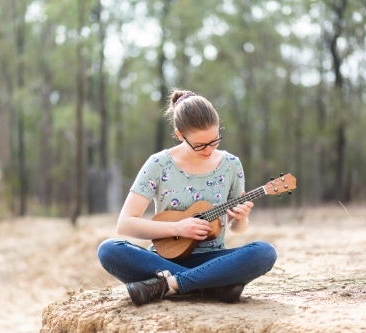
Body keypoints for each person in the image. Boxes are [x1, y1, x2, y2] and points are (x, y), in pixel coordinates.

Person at [97, 89, 277, 306]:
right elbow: (125, 224)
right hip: (162, 260)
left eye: (215, 141)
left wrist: (241, 218)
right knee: (108, 249)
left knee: (265, 252)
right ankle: (214, 285)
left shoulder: (231, 165)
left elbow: (236, 228)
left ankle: (171, 284)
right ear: (180, 135)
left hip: (214, 260)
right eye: (200, 145)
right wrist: (177, 229)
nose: (209, 149)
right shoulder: (158, 164)